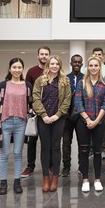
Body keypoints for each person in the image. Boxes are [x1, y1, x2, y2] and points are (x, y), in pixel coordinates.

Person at [0, 58, 33, 195]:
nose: (17, 70)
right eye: (14, 67)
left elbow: (30, 105)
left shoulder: (27, 85)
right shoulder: (3, 85)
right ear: (10, 69)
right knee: (4, 154)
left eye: (19, 67)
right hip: (5, 122)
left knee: (17, 153)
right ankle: (3, 182)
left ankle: (17, 181)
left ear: (22, 69)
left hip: (21, 123)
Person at [33, 55, 71, 192]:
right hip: (43, 119)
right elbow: (36, 98)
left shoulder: (65, 81)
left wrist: (57, 115)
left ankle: (55, 178)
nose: (54, 66)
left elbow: (67, 100)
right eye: (52, 63)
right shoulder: (40, 80)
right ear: (48, 65)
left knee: (56, 147)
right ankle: (45, 179)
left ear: (60, 66)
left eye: (57, 64)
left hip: (58, 119)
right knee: (45, 147)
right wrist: (43, 115)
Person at [75, 56, 105, 192]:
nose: (93, 68)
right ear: (87, 67)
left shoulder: (104, 84)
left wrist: (96, 121)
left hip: (99, 123)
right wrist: (88, 120)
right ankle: (85, 180)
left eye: (96, 65)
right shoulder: (82, 83)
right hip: (83, 123)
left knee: (97, 152)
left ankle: (97, 179)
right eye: (91, 65)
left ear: (99, 67)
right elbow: (78, 103)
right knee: (83, 151)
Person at [21, 46, 51, 178]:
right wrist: (30, 107)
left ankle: (50, 165)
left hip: (49, 112)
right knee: (32, 140)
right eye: (42, 54)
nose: (44, 56)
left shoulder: (53, 70)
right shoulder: (32, 71)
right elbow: (27, 91)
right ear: (37, 56)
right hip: (34, 112)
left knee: (48, 141)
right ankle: (30, 166)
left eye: (46, 54)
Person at [61, 54, 84, 177]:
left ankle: (82, 166)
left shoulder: (85, 78)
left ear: (82, 64)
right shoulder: (65, 78)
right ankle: (66, 167)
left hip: (81, 116)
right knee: (65, 143)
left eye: (79, 62)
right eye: (74, 62)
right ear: (71, 63)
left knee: (82, 143)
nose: (76, 64)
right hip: (66, 117)